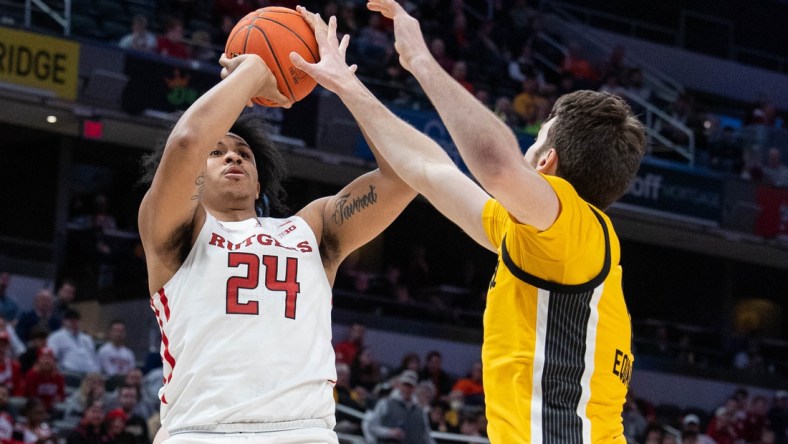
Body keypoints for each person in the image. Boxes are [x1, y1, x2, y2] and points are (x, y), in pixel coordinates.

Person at [290, 4, 645, 442]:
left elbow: (497, 167)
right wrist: (347, 84)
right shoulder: (545, 242)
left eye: (533, 143)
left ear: (547, 163)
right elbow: (428, 169)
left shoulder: (575, 229)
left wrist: (421, 61)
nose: (524, 153)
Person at [137, 45, 416, 442]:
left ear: (258, 182)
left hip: (305, 431)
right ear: (193, 177)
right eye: (217, 152)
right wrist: (253, 70)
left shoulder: (311, 228)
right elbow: (187, 142)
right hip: (203, 430)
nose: (233, 158)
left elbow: (405, 175)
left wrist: (348, 87)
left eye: (244, 153)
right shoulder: (174, 230)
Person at [363, 370, 435, 444]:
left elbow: (427, 437)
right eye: (405, 385)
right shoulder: (385, 403)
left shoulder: (420, 411)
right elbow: (372, 427)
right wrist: (390, 433)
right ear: (400, 385)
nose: (407, 389)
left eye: (410, 386)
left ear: (414, 389)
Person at [47, 309, 100, 375]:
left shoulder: (86, 338)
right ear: (64, 322)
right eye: (71, 321)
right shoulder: (56, 336)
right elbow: (52, 357)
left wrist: (97, 372)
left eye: (77, 320)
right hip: (69, 373)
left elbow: (94, 358)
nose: (75, 323)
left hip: (90, 373)